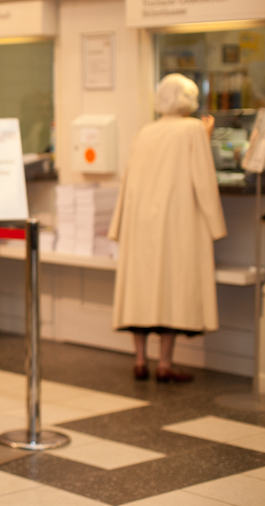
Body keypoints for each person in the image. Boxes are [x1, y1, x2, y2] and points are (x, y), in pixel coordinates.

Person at [109, 73, 226, 383]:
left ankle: (139, 360)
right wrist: (216, 225)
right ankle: (164, 363)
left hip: (140, 223)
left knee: (141, 290)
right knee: (171, 290)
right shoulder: (192, 130)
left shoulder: (145, 131)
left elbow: (128, 180)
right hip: (178, 223)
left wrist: (117, 225)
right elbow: (203, 179)